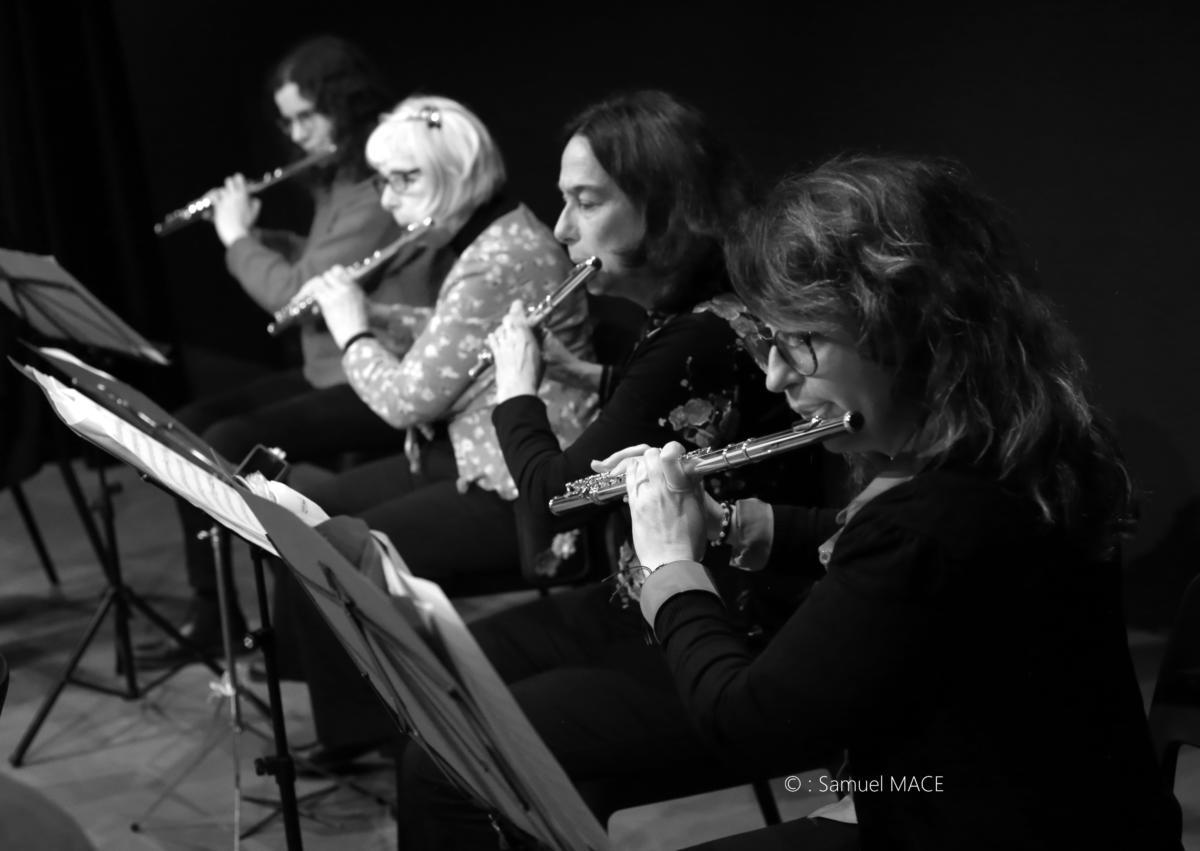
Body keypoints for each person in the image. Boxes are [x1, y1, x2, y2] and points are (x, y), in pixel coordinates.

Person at [611, 155, 1183, 849]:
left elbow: (746, 725)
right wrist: (729, 522)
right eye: (770, 340)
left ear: (909, 330)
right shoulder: (1030, 446)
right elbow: (901, 570)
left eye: (803, 340)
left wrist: (668, 563)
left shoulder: (930, 520)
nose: (775, 376)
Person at [390, 90, 832, 849]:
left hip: (721, 635)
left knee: (448, 758)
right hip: (643, 598)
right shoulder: (703, 312)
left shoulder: (695, 334)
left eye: (586, 202)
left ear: (666, 207)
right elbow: (690, 407)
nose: (562, 229)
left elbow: (553, 498)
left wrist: (516, 389)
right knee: (446, 673)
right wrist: (594, 378)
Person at [267, 93, 599, 763]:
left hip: (523, 486)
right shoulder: (493, 235)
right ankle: (353, 713)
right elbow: (458, 332)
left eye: (405, 179)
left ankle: (384, 737)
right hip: (475, 453)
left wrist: (352, 328)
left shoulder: (495, 256)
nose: (390, 199)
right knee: (306, 516)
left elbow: (404, 403)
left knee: (336, 549)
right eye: (384, 181)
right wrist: (380, 316)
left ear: (455, 173)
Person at [138, 38, 453, 667]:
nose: (298, 133)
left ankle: (299, 633)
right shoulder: (339, 180)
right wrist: (258, 235)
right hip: (327, 369)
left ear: (345, 104)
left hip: (376, 374)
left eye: (308, 115)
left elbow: (294, 295)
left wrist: (236, 238)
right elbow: (318, 262)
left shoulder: (379, 185)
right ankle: (216, 612)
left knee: (228, 441)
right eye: (288, 121)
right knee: (188, 427)